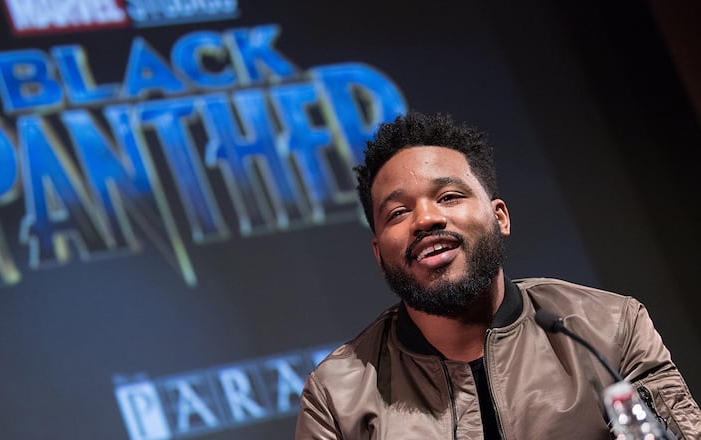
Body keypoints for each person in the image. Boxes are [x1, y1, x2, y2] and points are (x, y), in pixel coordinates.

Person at [294, 112, 701, 439]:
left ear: (499, 217)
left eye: (448, 196)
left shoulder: (608, 329)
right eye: (398, 212)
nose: (426, 219)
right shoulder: (336, 396)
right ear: (379, 254)